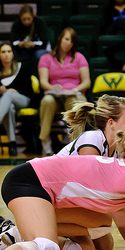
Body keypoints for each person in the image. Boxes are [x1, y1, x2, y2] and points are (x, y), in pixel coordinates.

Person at [0, 95, 125, 250]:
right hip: (43, 194)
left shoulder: (116, 152)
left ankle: (33, 236)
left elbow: (115, 201)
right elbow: (106, 200)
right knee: (103, 222)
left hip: (67, 202)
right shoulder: (92, 141)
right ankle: (18, 233)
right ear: (111, 123)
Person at [38, 27, 91, 155]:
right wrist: (52, 88)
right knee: (47, 100)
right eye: (66, 39)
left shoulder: (79, 57)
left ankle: (75, 141)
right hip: (55, 94)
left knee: (73, 102)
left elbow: (87, 82)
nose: (69, 43)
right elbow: (43, 82)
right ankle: (45, 140)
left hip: (73, 94)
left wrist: (74, 89)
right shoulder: (46, 58)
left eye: (72, 41)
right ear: (60, 38)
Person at [0, 42, 38, 156]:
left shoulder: (22, 68)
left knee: (9, 95)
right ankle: (12, 144)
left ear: (13, 54)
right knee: (9, 107)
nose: (6, 54)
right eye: (3, 52)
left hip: (22, 99)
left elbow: (29, 90)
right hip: (1, 103)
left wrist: (15, 91)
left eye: (9, 51)